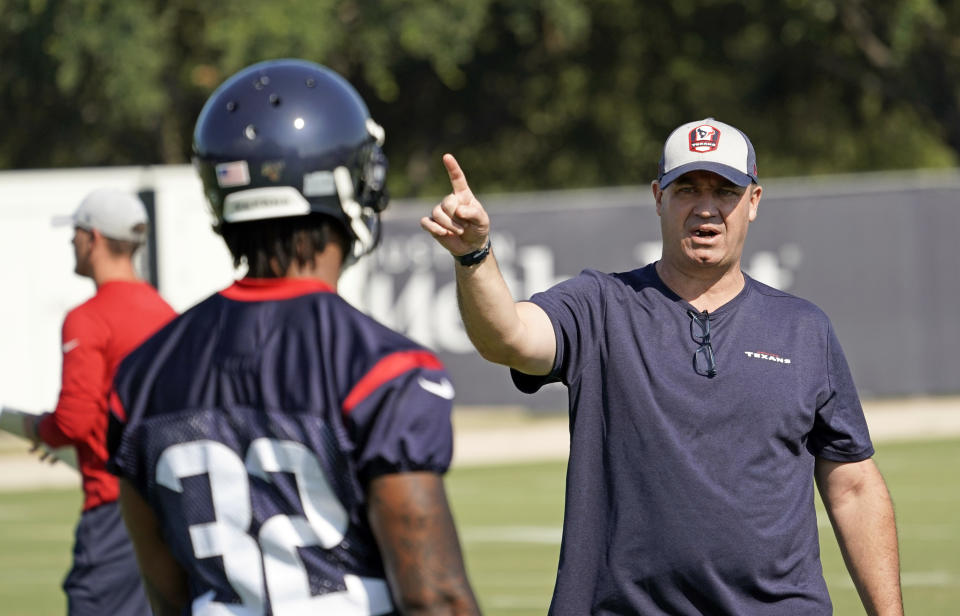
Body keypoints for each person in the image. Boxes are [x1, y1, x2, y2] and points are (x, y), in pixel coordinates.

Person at [421, 118, 904, 615]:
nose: (705, 207)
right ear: (658, 197)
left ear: (754, 201)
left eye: (725, 190)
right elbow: (508, 338)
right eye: (687, 188)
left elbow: (853, 484)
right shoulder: (600, 305)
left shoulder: (804, 329)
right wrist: (474, 255)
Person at [106, 59, 479, 616]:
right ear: (350, 182)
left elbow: (167, 592)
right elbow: (433, 596)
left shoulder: (141, 375)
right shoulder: (382, 369)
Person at [18, 188, 176, 615]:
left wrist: (38, 430)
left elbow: (72, 420)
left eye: (76, 233)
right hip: (168, 508)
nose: (72, 241)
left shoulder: (87, 318)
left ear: (94, 238)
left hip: (115, 510)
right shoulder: (166, 313)